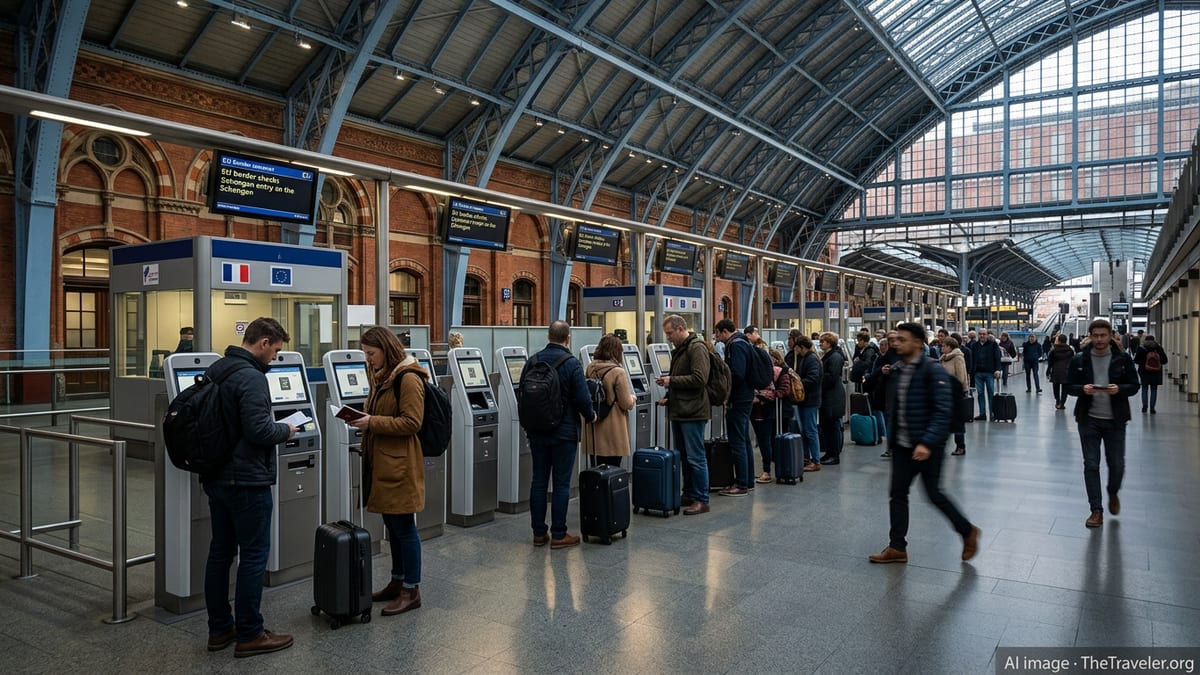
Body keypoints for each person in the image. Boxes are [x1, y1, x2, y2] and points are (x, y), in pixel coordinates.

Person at [202, 317, 297, 658]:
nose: (275, 357)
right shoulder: (252, 377)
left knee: (220, 552)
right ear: (263, 343)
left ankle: (219, 629)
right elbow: (259, 431)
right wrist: (286, 430)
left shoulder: (218, 369)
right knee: (254, 555)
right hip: (247, 480)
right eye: (275, 350)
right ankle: (250, 633)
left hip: (217, 476)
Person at [868, 323, 980, 565]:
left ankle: (967, 531)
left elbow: (942, 411)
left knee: (933, 494)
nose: (897, 343)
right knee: (897, 494)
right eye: (896, 338)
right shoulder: (899, 369)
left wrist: (927, 443)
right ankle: (897, 547)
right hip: (903, 445)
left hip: (927, 447)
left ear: (919, 343)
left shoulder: (933, 371)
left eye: (903, 339)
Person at [350, 326, 427, 616]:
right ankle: (397, 582)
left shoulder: (407, 378)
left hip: (400, 463)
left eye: (371, 353)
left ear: (386, 349)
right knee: (392, 526)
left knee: (405, 527)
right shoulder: (384, 377)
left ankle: (412, 589)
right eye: (366, 354)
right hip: (384, 462)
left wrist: (372, 423)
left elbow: (411, 422)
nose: (368, 359)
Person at [524, 321, 596, 548]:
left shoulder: (533, 360)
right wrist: (591, 415)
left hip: (537, 430)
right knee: (561, 484)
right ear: (568, 338)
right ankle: (558, 534)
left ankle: (538, 533)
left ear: (548, 336)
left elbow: (522, 395)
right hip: (563, 432)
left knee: (539, 481)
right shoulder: (571, 363)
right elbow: (583, 398)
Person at [1066, 319, 1140, 528]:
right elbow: (1069, 386)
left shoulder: (1122, 359)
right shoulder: (1080, 359)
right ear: (1090, 335)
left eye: (1103, 335)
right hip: (1088, 418)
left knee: (1117, 464)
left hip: (1115, 420)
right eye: (1095, 335)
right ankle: (1096, 510)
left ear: (1110, 336)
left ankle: (1112, 491)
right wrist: (1082, 389)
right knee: (1091, 464)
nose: (1099, 339)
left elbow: (1135, 385)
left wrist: (1120, 389)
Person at [658, 314, 711, 515]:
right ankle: (689, 493)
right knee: (685, 457)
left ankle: (702, 499)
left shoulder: (696, 347)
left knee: (696, 457)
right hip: (680, 409)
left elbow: (700, 378)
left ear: (681, 328)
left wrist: (671, 381)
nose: (668, 337)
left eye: (670, 333)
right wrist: (668, 395)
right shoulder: (680, 350)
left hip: (693, 411)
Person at [713, 319, 755, 496]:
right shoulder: (744, 342)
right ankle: (748, 480)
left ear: (724, 331)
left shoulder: (735, 345)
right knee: (744, 440)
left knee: (737, 441)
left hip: (738, 399)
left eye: (717, 333)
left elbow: (736, 373)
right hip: (746, 397)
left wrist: (725, 393)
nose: (716, 337)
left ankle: (741, 484)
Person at [582, 334, 636, 466]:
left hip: (594, 427)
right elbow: (626, 403)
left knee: (596, 469)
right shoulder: (618, 372)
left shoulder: (590, 367)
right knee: (612, 470)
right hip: (613, 428)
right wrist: (633, 398)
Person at [751, 349, 790, 483]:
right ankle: (768, 469)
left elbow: (784, 390)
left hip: (766, 410)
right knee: (764, 440)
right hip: (761, 410)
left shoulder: (776, 371)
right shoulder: (773, 371)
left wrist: (768, 395)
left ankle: (767, 470)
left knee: (765, 440)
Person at [864, 330, 901, 459]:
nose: (893, 343)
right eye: (890, 340)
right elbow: (875, 371)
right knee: (889, 420)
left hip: (900, 393)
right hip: (887, 393)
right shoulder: (885, 356)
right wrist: (881, 371)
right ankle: (891, 448)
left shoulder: (904, 354)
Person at [789, 335, 823, 472]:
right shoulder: (808, 358)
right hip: (806, 400)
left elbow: (813, 378)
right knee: (806, 430)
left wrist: (798, 383)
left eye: (797, 347)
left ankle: (816, 460)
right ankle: (807, 457)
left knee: (810, 430)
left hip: (810, 400)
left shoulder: (811, 360)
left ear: (801, 347)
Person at [818, 332, 846, 466]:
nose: (820, 343)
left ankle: (834, 454)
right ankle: (829, 452)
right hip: (829, 395)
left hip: (832, 396)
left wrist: (819, 380)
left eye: (822, 341)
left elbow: (832, 376)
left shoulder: (834, 357)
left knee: (833, 425)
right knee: (827, 426)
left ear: (829, 343)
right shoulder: (830, 356)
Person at [939, 336, 970, 456]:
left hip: (955, 394)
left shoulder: (958, 358)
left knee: (957, 421)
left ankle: (960, 446)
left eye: (944, 345)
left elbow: (960, 377)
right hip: (944, 393)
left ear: (950, 347)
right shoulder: (943, 359)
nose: (942, 347)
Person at [968, 328, 1003, 421]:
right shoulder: (974, 345)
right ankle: (982, 413)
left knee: (990, 393)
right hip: (978, 373)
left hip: (989, 373)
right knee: (980, 394)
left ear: (987, 335)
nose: (982, 336)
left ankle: (992, 413)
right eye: (980, 334)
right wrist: (972, 372)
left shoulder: (993, 345)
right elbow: (972, 359)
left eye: (984, 334)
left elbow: (997, 358)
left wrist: (998, 370)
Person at [1133, 334, 1167, 414]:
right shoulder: (1158, 348)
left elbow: (1136, 360)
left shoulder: (1141, 348)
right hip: (1155, 372)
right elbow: (1164, 361)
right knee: (1154, 389)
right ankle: (1152, 408)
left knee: (1144, 389)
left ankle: (1144, 407)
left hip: (1144, 372)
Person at [1046, 334, 1075, 410]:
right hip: (1066, 371)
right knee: (1065, 388)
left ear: (1059, 341)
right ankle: (1062, 403)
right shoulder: (1070, 350)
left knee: (1056, 387)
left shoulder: (1053, 350)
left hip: (1056, 371)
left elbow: (1050, 362)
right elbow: (1073, 361)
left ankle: (1057, 400)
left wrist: (1048, 371)